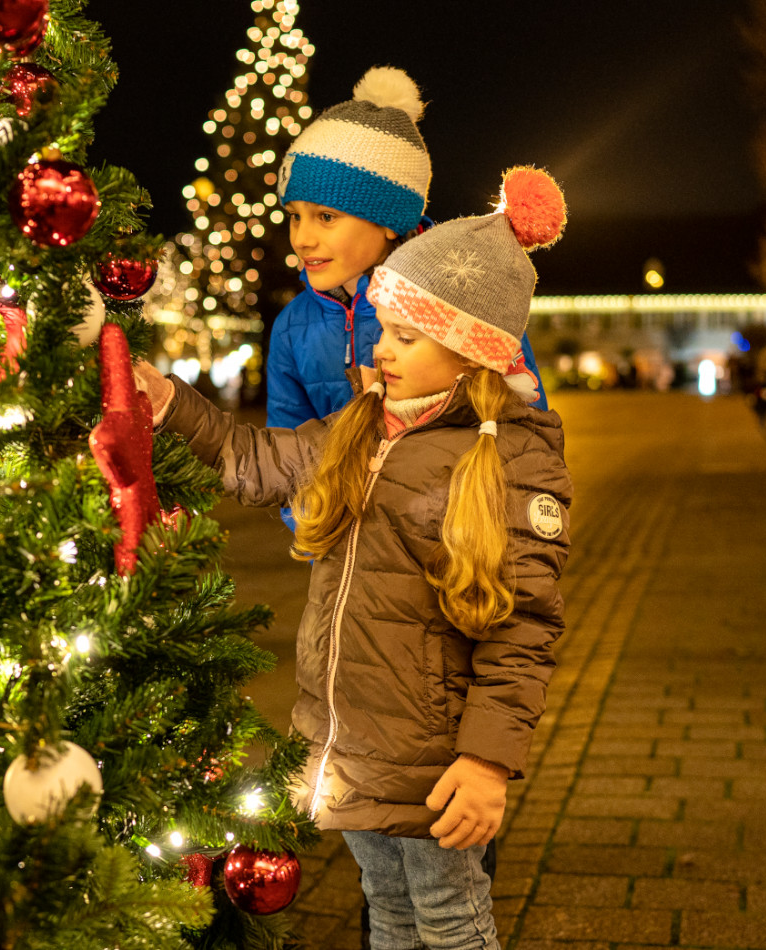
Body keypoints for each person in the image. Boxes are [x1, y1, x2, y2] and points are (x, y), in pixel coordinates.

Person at [134, 168, 572, 950]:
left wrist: (485, 762)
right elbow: (254, 457)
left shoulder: (511, 460)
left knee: (450, 918)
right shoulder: (362, 425)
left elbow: (523, 634)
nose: (384, 349)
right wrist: (170, 403)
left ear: (471, 355)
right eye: (384, 330)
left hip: (436, 759)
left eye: (407, 335)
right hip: (349, 743)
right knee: (389, 910)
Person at [267, 66, 548, 445]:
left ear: (388, 219)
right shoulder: (291, 327)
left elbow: (527, 434)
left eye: (326, 217)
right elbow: (283, 454)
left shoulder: (464, 301)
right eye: (295, 216)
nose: (302, 238)